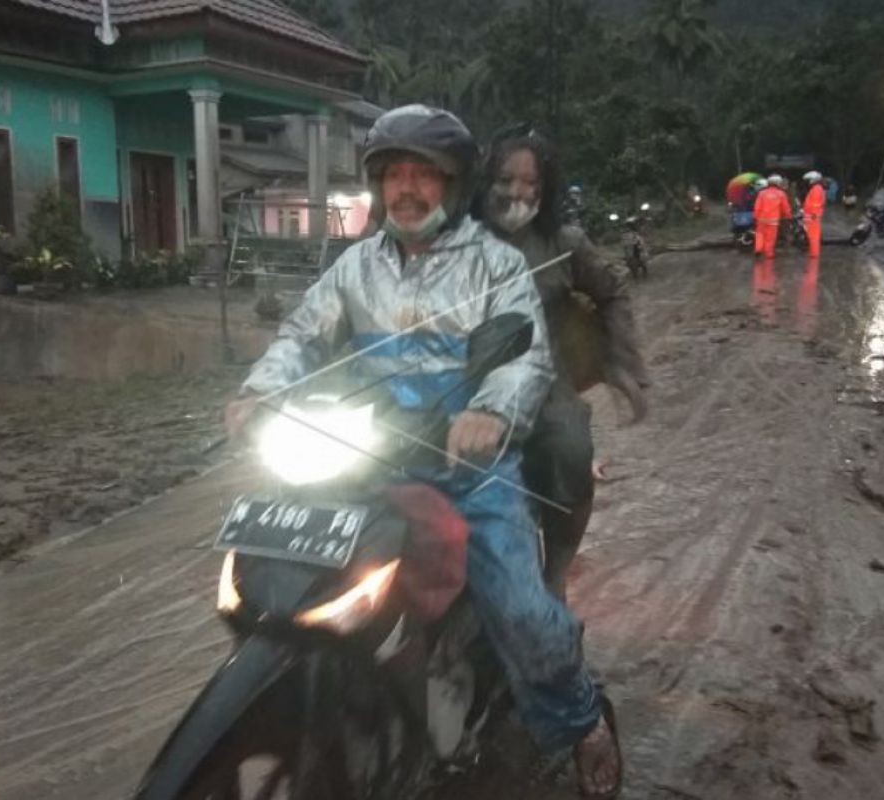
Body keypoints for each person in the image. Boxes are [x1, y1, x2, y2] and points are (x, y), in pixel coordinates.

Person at [225, 105, 622, 797]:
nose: (406, 189)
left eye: (423, 175)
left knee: (524, 612)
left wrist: (489, 412)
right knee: (277, 576)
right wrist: (260, 390)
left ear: (455, 184)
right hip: (363, 460)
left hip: (468, 467)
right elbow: (302, 334)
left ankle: (579, 715)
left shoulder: (495, 264)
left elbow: (521, 357)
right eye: (392, 175)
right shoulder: (354, 268)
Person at [473, 122, 648, 600]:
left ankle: (556, 571)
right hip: (462, 382)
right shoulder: (456, 243)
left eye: (531, 183)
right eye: (506, 180)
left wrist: (621, 363)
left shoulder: (564, 243)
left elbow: (613, 292)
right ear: (485, 181)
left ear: (545, 190)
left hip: (544, 384)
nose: (517, 192)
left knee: (571, 450)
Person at [753, 174, 793, 258]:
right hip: (773, 220)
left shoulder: (762, 193)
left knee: (760, 234)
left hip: (761, 219)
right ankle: (769, 254)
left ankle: (758, 249)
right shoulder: (781, 194)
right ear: (778, 183)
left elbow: (757, 206)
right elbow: (785, 207)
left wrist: (755, 216)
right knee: (770, 238)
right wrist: (788, 216)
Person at [802, 171, 826, 257]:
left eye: (808, 180)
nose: (807, 182)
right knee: (813, 237)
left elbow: (815, 204)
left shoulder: (816, 189)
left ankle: (814, 254)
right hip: (811, 217)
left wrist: (814, 214)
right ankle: (814, 253)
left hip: (812, 218)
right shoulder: (816, 188)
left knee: (814, 237)